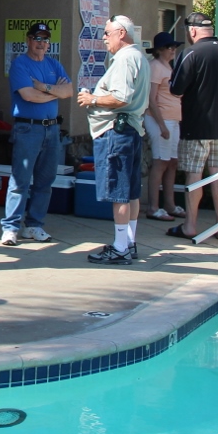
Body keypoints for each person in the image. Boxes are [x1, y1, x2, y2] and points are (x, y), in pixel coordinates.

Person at [167, 12, 218, 241]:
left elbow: (176, 89)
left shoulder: (190, 54)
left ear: (192, 31)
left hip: (195, 127)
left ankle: (190, 226)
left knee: (194, 175)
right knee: (217, 175)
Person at [78, 15, 151, 264]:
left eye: (107, 33)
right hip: (130, 131)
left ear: (121, 33)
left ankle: (120, 248)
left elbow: (121, 98)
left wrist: (93, 100)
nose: (104, 38)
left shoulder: (125, 59)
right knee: (130, 192)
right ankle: (128, 243)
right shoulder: (138, 56)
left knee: (119, 192)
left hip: (117, 133)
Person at [0, 21, 71, 246]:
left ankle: (34, 226)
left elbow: (69, 90)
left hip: (52, 128)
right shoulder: (20, 64)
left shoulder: (54, 64)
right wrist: (54, 92)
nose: (41, 43)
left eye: (45, 39)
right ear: (28, 40)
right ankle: (10, 228)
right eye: (37, 38)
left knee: (45, 181)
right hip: (28, 128)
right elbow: (28, 96)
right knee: (20, 180)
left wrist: (44, 88)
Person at [144, 32, 184, 221]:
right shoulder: (155, 67)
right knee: (160, 161)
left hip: (174, 119)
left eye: (175, 47)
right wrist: (161, 125)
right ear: (160, 50)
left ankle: (169, 204)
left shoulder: (170, 67)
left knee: (172, 162)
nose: (173, 50)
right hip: (160, 119)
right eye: (170, 47)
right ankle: (153, 206)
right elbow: (151, 99)